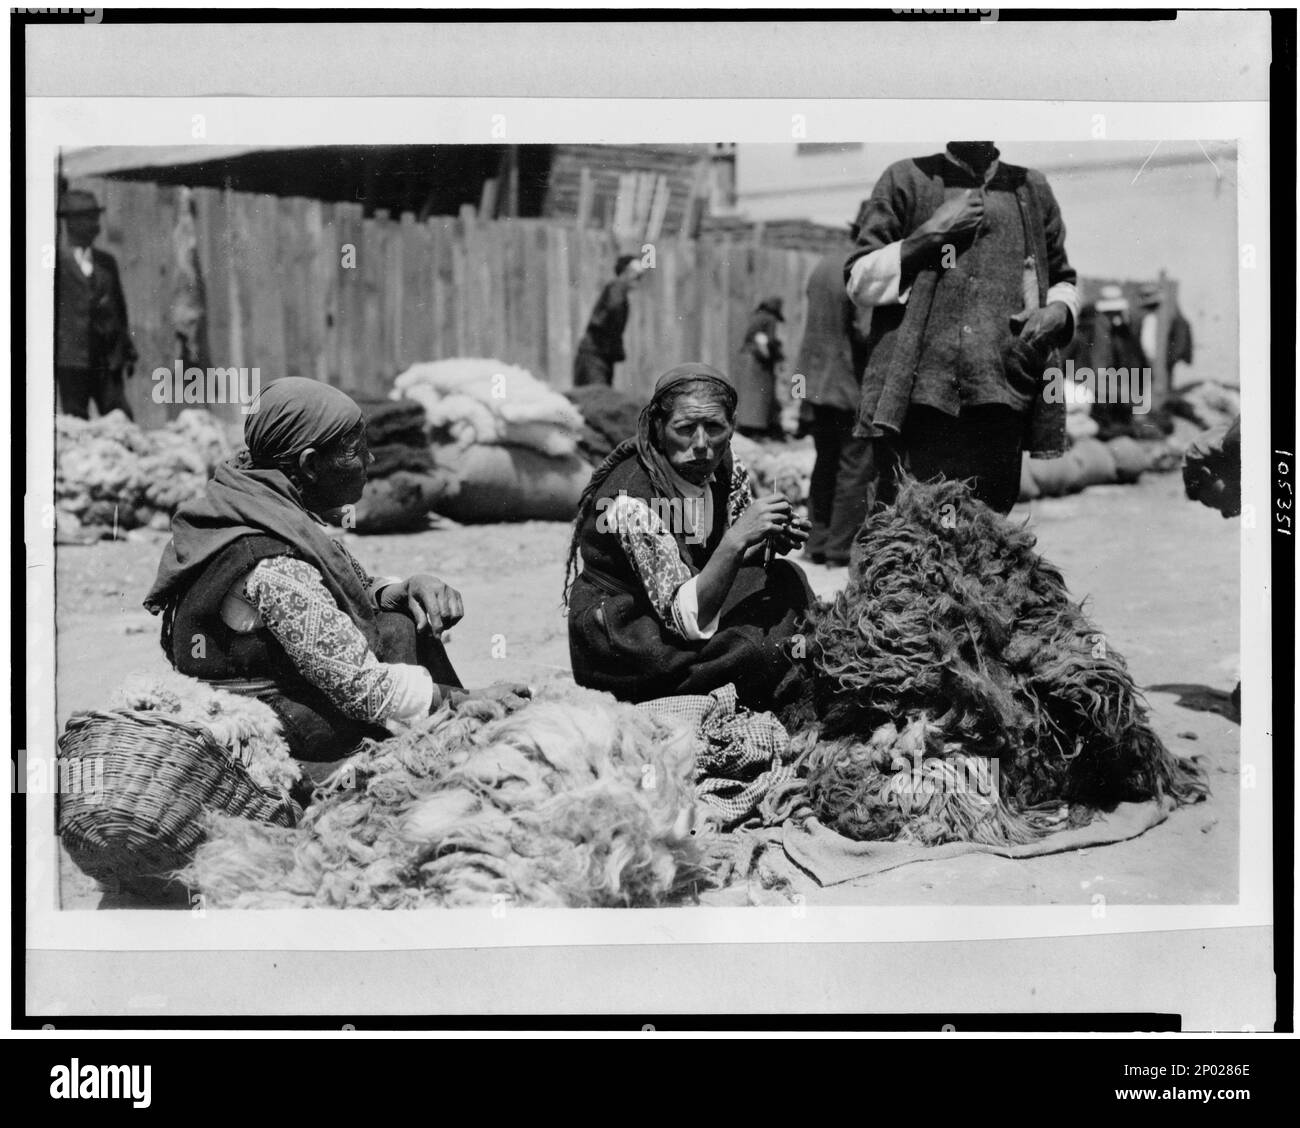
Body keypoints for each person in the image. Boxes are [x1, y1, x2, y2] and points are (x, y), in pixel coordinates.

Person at [144, 377, 525, 776]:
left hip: (278, 694)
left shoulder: (259, 504)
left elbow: (351, 588)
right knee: (399, 637)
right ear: (310, 465)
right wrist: (468, 699)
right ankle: (441, 754)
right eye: (357, 451)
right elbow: (362, 688)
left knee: (396, 620)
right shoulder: (271, 561)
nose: (371, 461)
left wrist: (404, 588)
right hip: (273, 726)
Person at [845, 141, 1080, 515]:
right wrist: (931, 233)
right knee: (909, 532)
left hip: (1000, 393)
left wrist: (1059, 310)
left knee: (988, 536)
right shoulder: (905, 178)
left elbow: (1062, 277)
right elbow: (858, 280)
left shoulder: (1030, 187)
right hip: (918, 402)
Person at [564, 362, 813, 707]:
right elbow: (685, 620)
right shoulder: (630, 501)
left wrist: (767, 540)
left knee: (787, 579)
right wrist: (739, 538)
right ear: (658, 426)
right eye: (685, 428)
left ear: (732, 427)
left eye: (714, 427)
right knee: (759, 649)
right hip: (630, 635)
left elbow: (726, 556)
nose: (701, 444)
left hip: (687, 598)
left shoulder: (724, 464)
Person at [795, 235, 874, 566]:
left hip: (816, 385)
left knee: (825, 463)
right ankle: (840, 549)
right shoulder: (862, 266)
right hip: (848, 385)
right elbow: (864, 332)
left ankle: (817, 542)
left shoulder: (824, 264)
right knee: (855, 467)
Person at [55, 188, 138, 419]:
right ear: (70, 222)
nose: (94, 224)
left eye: (95, 217)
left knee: (119, 418)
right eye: (86, 218)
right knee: (76, 422)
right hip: (72, 361)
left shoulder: (106, 262)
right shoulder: (55, 263)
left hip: (107, 361)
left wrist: (126, 351)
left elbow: (119, 311)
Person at [573, 254, 645, 387]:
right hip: (594, 357)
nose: (639, 277)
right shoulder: (616, 288)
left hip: (601, 357)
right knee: (597, 398)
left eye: (641, 275)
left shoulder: (619, 293)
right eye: (635, 272)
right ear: (623, 272)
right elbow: (613, 307)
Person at [736, 296, 787, 439]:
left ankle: (745, 426)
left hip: (746, 357)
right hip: (758, 360)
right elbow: (768, 341)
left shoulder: (756, 317)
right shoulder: (770, 319)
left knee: (748, 395)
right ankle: (757, 429)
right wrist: (777, 354)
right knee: (759, 396)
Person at [1136, 281, 1194, 387]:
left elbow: (1178, 344)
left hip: (1162, 364)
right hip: (1150, 364)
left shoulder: (1171, 319)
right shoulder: (1148, 318)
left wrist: (1167, 361)